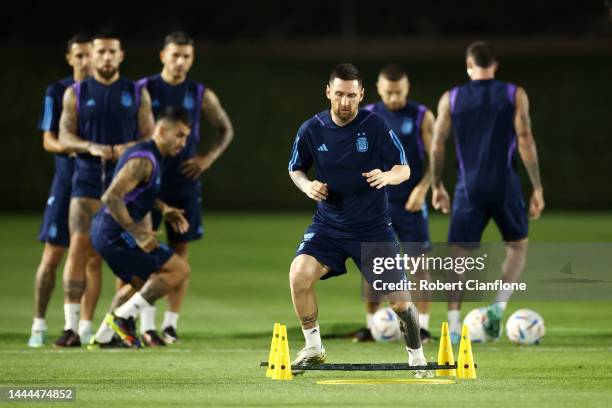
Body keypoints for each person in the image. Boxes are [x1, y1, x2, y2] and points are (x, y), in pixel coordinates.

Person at [288, 63, 432, 378]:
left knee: (400, 303)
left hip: (373, 229)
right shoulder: (311, 129)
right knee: (299, 275)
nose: (344, 102)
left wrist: (387, 176)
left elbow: (403, 167)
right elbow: (295, 169)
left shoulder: (376, 126)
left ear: (361, 95)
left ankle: (418, 359)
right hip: (328, 227)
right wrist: (307, 185)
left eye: (351, 95)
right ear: (328, 92)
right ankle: (313, 347)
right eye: (338, 94)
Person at [430, 41, 545, 343]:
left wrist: (436, 184)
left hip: (468, 188)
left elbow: (438, 144)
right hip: (505, 185)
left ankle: (454, 326)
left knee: (459, 257)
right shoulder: (513, 94)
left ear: (469, 66)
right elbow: (524, 138)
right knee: (517, 245)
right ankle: (498, 306)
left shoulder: (451, 98)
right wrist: (537, 187)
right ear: (494, 65)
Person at [54, 29, 155, 347]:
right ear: (92, 56)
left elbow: (150, 136)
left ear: (121, 55)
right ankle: (71, 329)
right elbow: (64, 137)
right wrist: (92, 146)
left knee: (135, 254)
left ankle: (118, 326)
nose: (107, 57)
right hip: (86, 180)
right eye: (101, 52)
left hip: (129, 186)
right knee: (79, 249)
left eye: (113, 51)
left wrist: (128, 146)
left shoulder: (137, 92)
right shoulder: (76, 93)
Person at [136, 31, 233, 345]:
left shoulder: (200, 93)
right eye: (175, 55)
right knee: (145, 250)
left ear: (192, 59)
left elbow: (225, 129)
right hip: (147, 182)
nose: (180, 62)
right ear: (163, 56)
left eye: (186, 56)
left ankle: (170, 325)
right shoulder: (143, 89)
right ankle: (146, 325)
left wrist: (207, 159)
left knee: (180, 253)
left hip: (184, 183)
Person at [88, 107, 191, 348]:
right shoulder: (144, 159)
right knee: (179, 270)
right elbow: (111, 196)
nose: (183, 143)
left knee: (137, 282)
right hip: (114, 232)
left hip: (107, 232)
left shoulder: (148, 154)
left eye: (186, 136)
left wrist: (163, 208)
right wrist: (136, 233)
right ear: (162, 130)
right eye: (179, 135)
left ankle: (103, 337)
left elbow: (135, 192)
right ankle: (122, 319)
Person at [356, 64, 435, 343]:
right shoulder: (367, 116)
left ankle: (422, 326)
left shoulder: (422, 116)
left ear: (407, 87)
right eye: (388, 92)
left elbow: (434, 159)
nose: (393, 98)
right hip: (377, 205)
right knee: (373, 266)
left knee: (418, 266)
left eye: (398, 92)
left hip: (411, 204)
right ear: (378, 89)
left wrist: (423, 189)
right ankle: (371, 325)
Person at [29, 34, 97, 347]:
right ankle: (38, 325)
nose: (85, 61)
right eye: (79, 55)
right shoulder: (57, 92)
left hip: (95, 185)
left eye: (89, 55)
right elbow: (48, 139)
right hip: (67, 182)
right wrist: (76, 148)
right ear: (70, 58)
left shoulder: (104, 94)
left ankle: (83, 327)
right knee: (53, 254)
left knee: (92, 258)